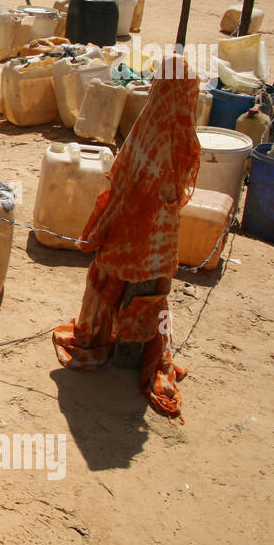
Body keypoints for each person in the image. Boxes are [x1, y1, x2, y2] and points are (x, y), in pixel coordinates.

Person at [52, 54, 201, 421]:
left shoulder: (149, 129)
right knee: (151, 297)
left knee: (110, 289)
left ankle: (99, 340)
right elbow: (175, 188)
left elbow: (122, 183)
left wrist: (104, 230)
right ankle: (138, 351)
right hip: (156, 243)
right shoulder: (179, 135)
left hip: (129, 239)